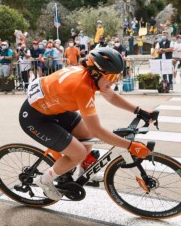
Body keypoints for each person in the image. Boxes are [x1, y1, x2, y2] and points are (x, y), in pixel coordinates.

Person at [19, 48, 152, 201]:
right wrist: (130, 146)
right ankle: (44, 181)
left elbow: (109, 95)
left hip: (54, 108)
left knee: (86, 136)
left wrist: (138, 110)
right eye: (112, 76)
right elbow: (98, 131)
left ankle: (84, 169)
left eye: (117, 76)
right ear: (96, 73)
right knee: (78, 153)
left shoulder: (89, 75)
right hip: (35, 119)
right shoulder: (82, 88)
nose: (114, 81)